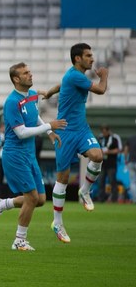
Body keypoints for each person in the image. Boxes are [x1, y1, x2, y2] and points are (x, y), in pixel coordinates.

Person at [0, 63, 66, 250]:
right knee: (31, 198)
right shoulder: (11, 102)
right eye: (25, 73)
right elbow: (21, 133)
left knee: (39, 199)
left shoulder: (32, 95)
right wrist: (50, 126)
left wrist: (49, 132)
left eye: (30, 71)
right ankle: (19, 240)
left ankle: (1, 204)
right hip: (15, 155)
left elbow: (35, 116)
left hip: (29, 154)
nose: (30, 75)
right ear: (16, 79)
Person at [40, 43, 108, 242]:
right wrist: (104, 75)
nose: (92, 59)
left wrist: (50, 93)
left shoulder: (73, 75)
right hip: (65, 132)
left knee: (97, 155)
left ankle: (84, 191)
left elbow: (62, 84)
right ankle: (57, 223)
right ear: (77, 58)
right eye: (88, 55)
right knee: (63, 178)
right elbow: (101, 90)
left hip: (81, 129)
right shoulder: (76, 76)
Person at [96, 124, 122, 203]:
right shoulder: (100, 138)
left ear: (108, 131)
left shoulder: (114, 138)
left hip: (111, 164)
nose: (104, 133)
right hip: (102, 164)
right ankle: (101, 199)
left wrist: (108, 152)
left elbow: (118, 150)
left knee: (112, 181)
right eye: (102, 131)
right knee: (101, 181)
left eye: (105, 131)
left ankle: (114, 199)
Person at [124, 133, 136, 203]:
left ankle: (135, 199)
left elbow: (126, 150)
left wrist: (125, 160)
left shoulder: (130, 138)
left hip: (131, 162)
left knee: (132, 182)